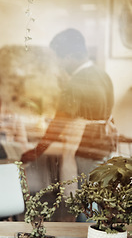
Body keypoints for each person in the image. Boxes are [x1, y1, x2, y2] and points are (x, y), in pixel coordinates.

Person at [21, 29, 115, 194]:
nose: (58, 64)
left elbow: (59, 123)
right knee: (99, 200)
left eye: (59, 58)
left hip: (86, 149)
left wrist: (36, 151)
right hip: (104, 147)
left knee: (83, 202)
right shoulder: (103, 75)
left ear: (69, 57)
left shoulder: (77, 83)